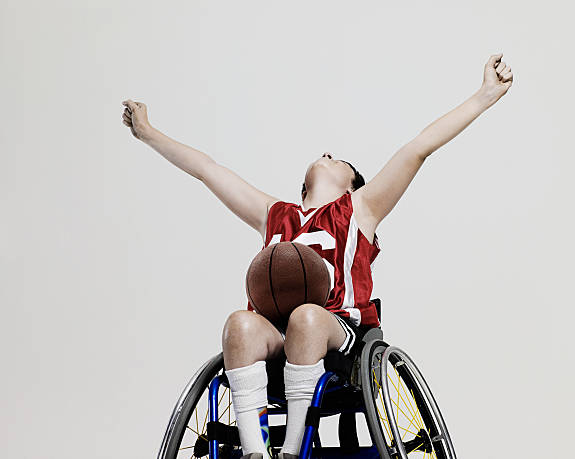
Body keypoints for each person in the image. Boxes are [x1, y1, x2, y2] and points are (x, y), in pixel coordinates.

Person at [122, 53, 513, 459]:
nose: (327, 153)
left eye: (338, 158)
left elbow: (417, 149)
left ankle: (291, 450)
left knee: (305, 317)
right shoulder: (274, 214)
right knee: (239, 324)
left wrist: (483, 96)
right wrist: (149, 132)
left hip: (337, 335)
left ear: (350, 186)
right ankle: (257, 451)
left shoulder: (360, 209)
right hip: (275, 336)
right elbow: (208, 169)